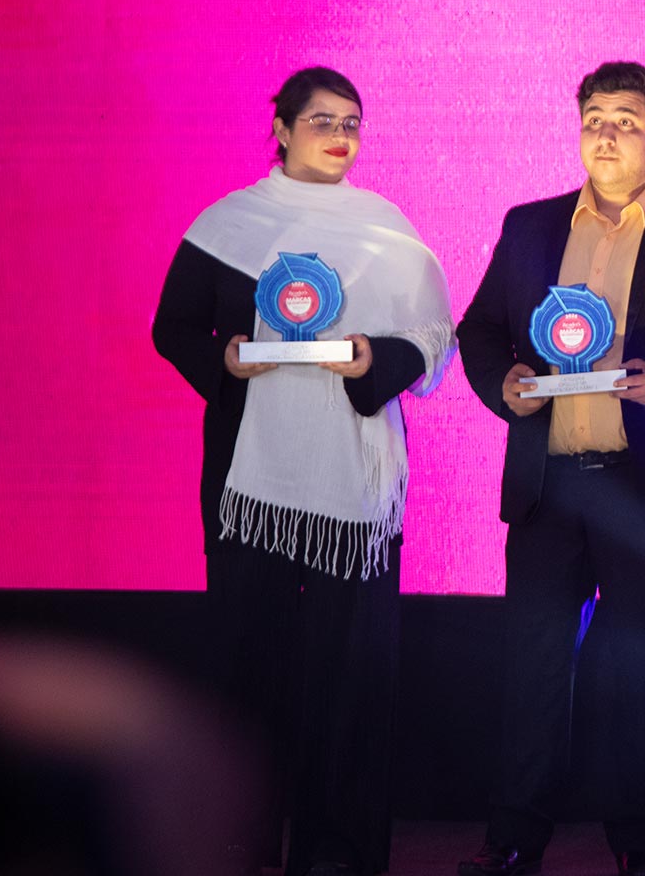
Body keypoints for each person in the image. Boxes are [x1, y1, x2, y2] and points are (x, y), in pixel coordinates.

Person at [150, 66, 456, 876]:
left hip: (355, 490)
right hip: (249, 485)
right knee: (246, 662)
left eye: (352, 122)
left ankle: (338, 852)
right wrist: (223, 358)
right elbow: (172, 327)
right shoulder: (227, 224)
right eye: (322, 120)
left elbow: (433, 339)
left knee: (351, 674)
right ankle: (237, 843)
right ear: (282, 130)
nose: (339, 135)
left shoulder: (387, 230)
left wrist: (375, 358)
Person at [456, 62, 645, 876]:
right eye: (593, 119)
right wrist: (503, 382)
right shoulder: (530, 226)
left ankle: (641, 846)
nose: (606, 134)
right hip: (550, 481)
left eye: (625, 120)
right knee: (534, 666)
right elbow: (480, 330)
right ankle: (515, 837)